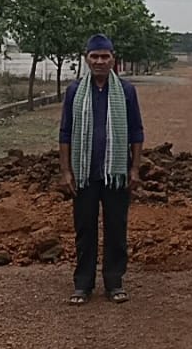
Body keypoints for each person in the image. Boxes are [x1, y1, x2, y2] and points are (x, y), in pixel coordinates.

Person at [58, 34, 145, 305]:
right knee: (85, 229)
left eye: (104, 56)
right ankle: (83, 283)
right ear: (86, 59)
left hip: (116, 173)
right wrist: (66, 171)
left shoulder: (126, 91)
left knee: (116, 228)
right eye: (94, 56)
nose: (99, 61)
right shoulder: (74, 91)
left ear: (112, 59)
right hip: (84, 174)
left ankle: (114, 281)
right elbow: (65, 133)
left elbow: (136, 131)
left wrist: (134, 168)